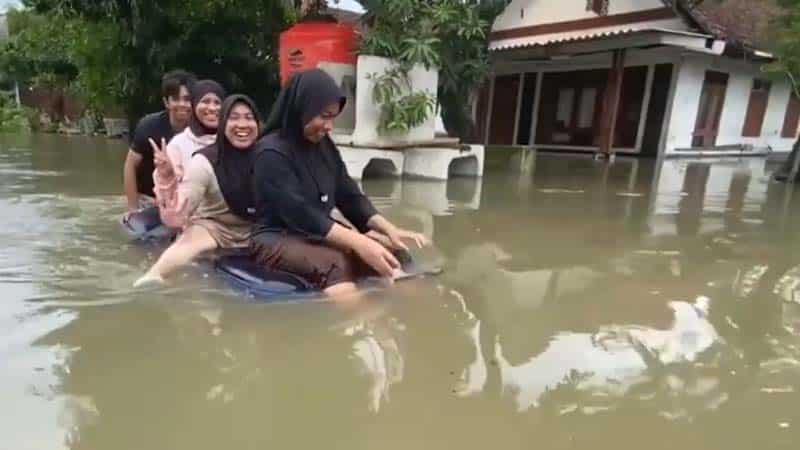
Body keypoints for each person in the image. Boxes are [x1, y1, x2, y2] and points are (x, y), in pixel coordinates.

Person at [251, 69, 428, 297]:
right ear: (302, 108)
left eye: (332, 117)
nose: (329, 126)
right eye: (324, 116)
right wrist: (360, 242)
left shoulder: (324, 146)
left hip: (320, 230)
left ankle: (416, 316)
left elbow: (348, 194)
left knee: (395, 254)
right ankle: (362, 326)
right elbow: (301, 214)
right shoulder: (270, 153)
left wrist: (390, 230)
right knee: (335, 265)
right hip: (277, 236)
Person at [134, 94, 262, 286]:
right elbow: (181, 209)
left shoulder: (269, 157)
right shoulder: (203, 162)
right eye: (234, 118)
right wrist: (166, 176)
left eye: (248, 118)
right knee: (193, 239)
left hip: (257, 229)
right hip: (216, 227)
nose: (242, 124)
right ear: (222, 125)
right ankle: (154, 275)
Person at [153, 79, 226, 227]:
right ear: (194, 106)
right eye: (205, 101)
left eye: (217, 102)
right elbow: (168, 200)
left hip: (230, 219)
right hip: (192, 221)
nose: (212, 108)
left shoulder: (233, 138)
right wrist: (166, 175)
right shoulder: (178, 144)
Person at [123, 70, 196, 214]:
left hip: (184, 199)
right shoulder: (149, 126)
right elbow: (130, 165)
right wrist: (132, 209)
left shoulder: (203, 130)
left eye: (187, 99)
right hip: (148, 198)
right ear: (166, 102)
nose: (182, 104)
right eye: (175, 99)